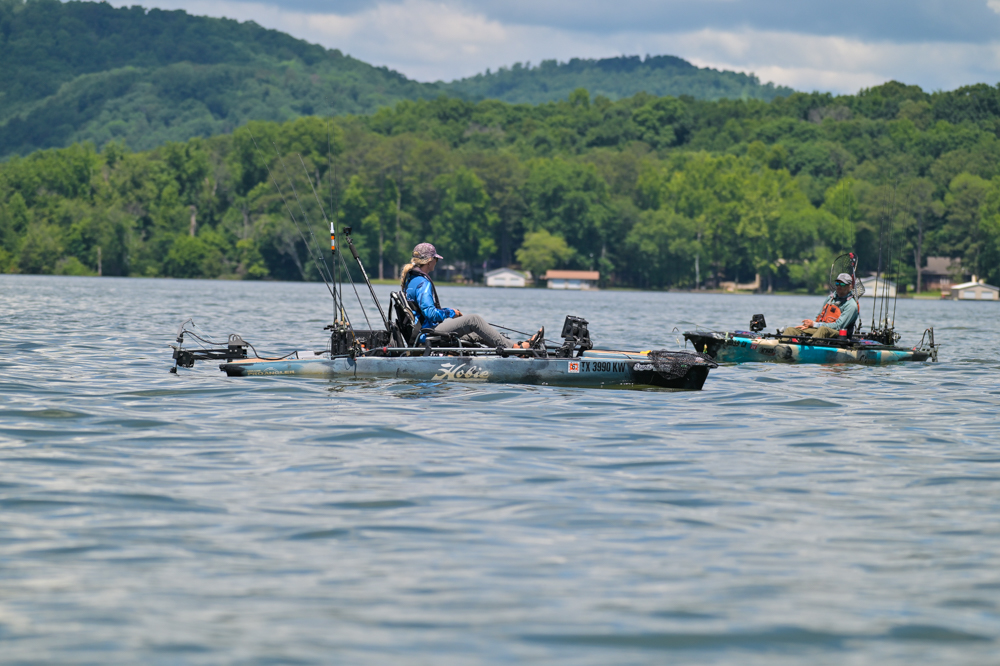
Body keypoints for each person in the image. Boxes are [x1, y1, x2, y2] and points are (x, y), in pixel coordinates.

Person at [400, 243, 543, 349]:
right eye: (436, 259)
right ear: (430, 260)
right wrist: (451, 312)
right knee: (474, 320)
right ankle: (518, 349)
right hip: (427, 333)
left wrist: (449, 311)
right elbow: (430, 314)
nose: (436, 262)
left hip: (423, 331)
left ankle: (515, 348)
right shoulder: (423, 283)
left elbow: (425, 311)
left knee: (479, 333)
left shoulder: (411, 280)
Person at [781, 273, 859, 339]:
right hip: (820, 329)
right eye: (837, 283)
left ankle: (809, 346)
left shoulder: (851, 305)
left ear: (850, 287)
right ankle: (780, 346)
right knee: (791, 330)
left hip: (838, 334)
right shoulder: (830, 298)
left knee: (823, 330)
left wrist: (814, 324)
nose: (839, 286)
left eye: (842, 284)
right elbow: (819, 316)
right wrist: (809, 325)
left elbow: (838, 326)